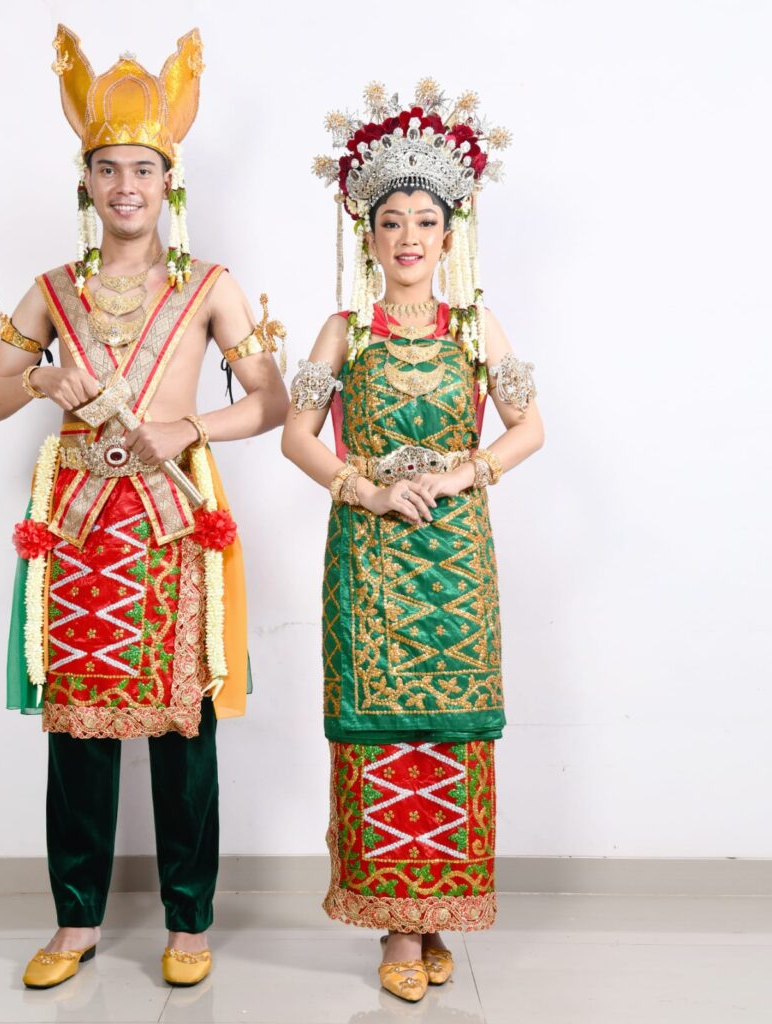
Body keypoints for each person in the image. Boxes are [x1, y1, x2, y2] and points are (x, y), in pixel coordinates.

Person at [0, 24, 288, 990]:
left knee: (184, 726)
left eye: (142, 169)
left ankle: (188, 920)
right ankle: (75, 923)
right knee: (79, 732)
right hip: (76, 529)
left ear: (168, 181)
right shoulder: (52, 291)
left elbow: (272, 403)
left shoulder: (208, 288)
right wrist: (38, 381)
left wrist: (189, 427)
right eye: (108, 169)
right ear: (87, 182)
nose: (126, 186)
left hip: (171, 521)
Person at [282, 78, 543, 1002]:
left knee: (452, 734)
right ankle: (396, 926)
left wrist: (460, 475)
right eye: (390, 221)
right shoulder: (342, 333)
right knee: (383, 734)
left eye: (425, 222)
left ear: (448, 234)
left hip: (457, 555)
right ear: (368, 234)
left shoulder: (476, 328)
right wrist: (370, 490)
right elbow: (297, 439)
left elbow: (528, 428)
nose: (408, 238)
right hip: (370, 556)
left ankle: (439, 912)